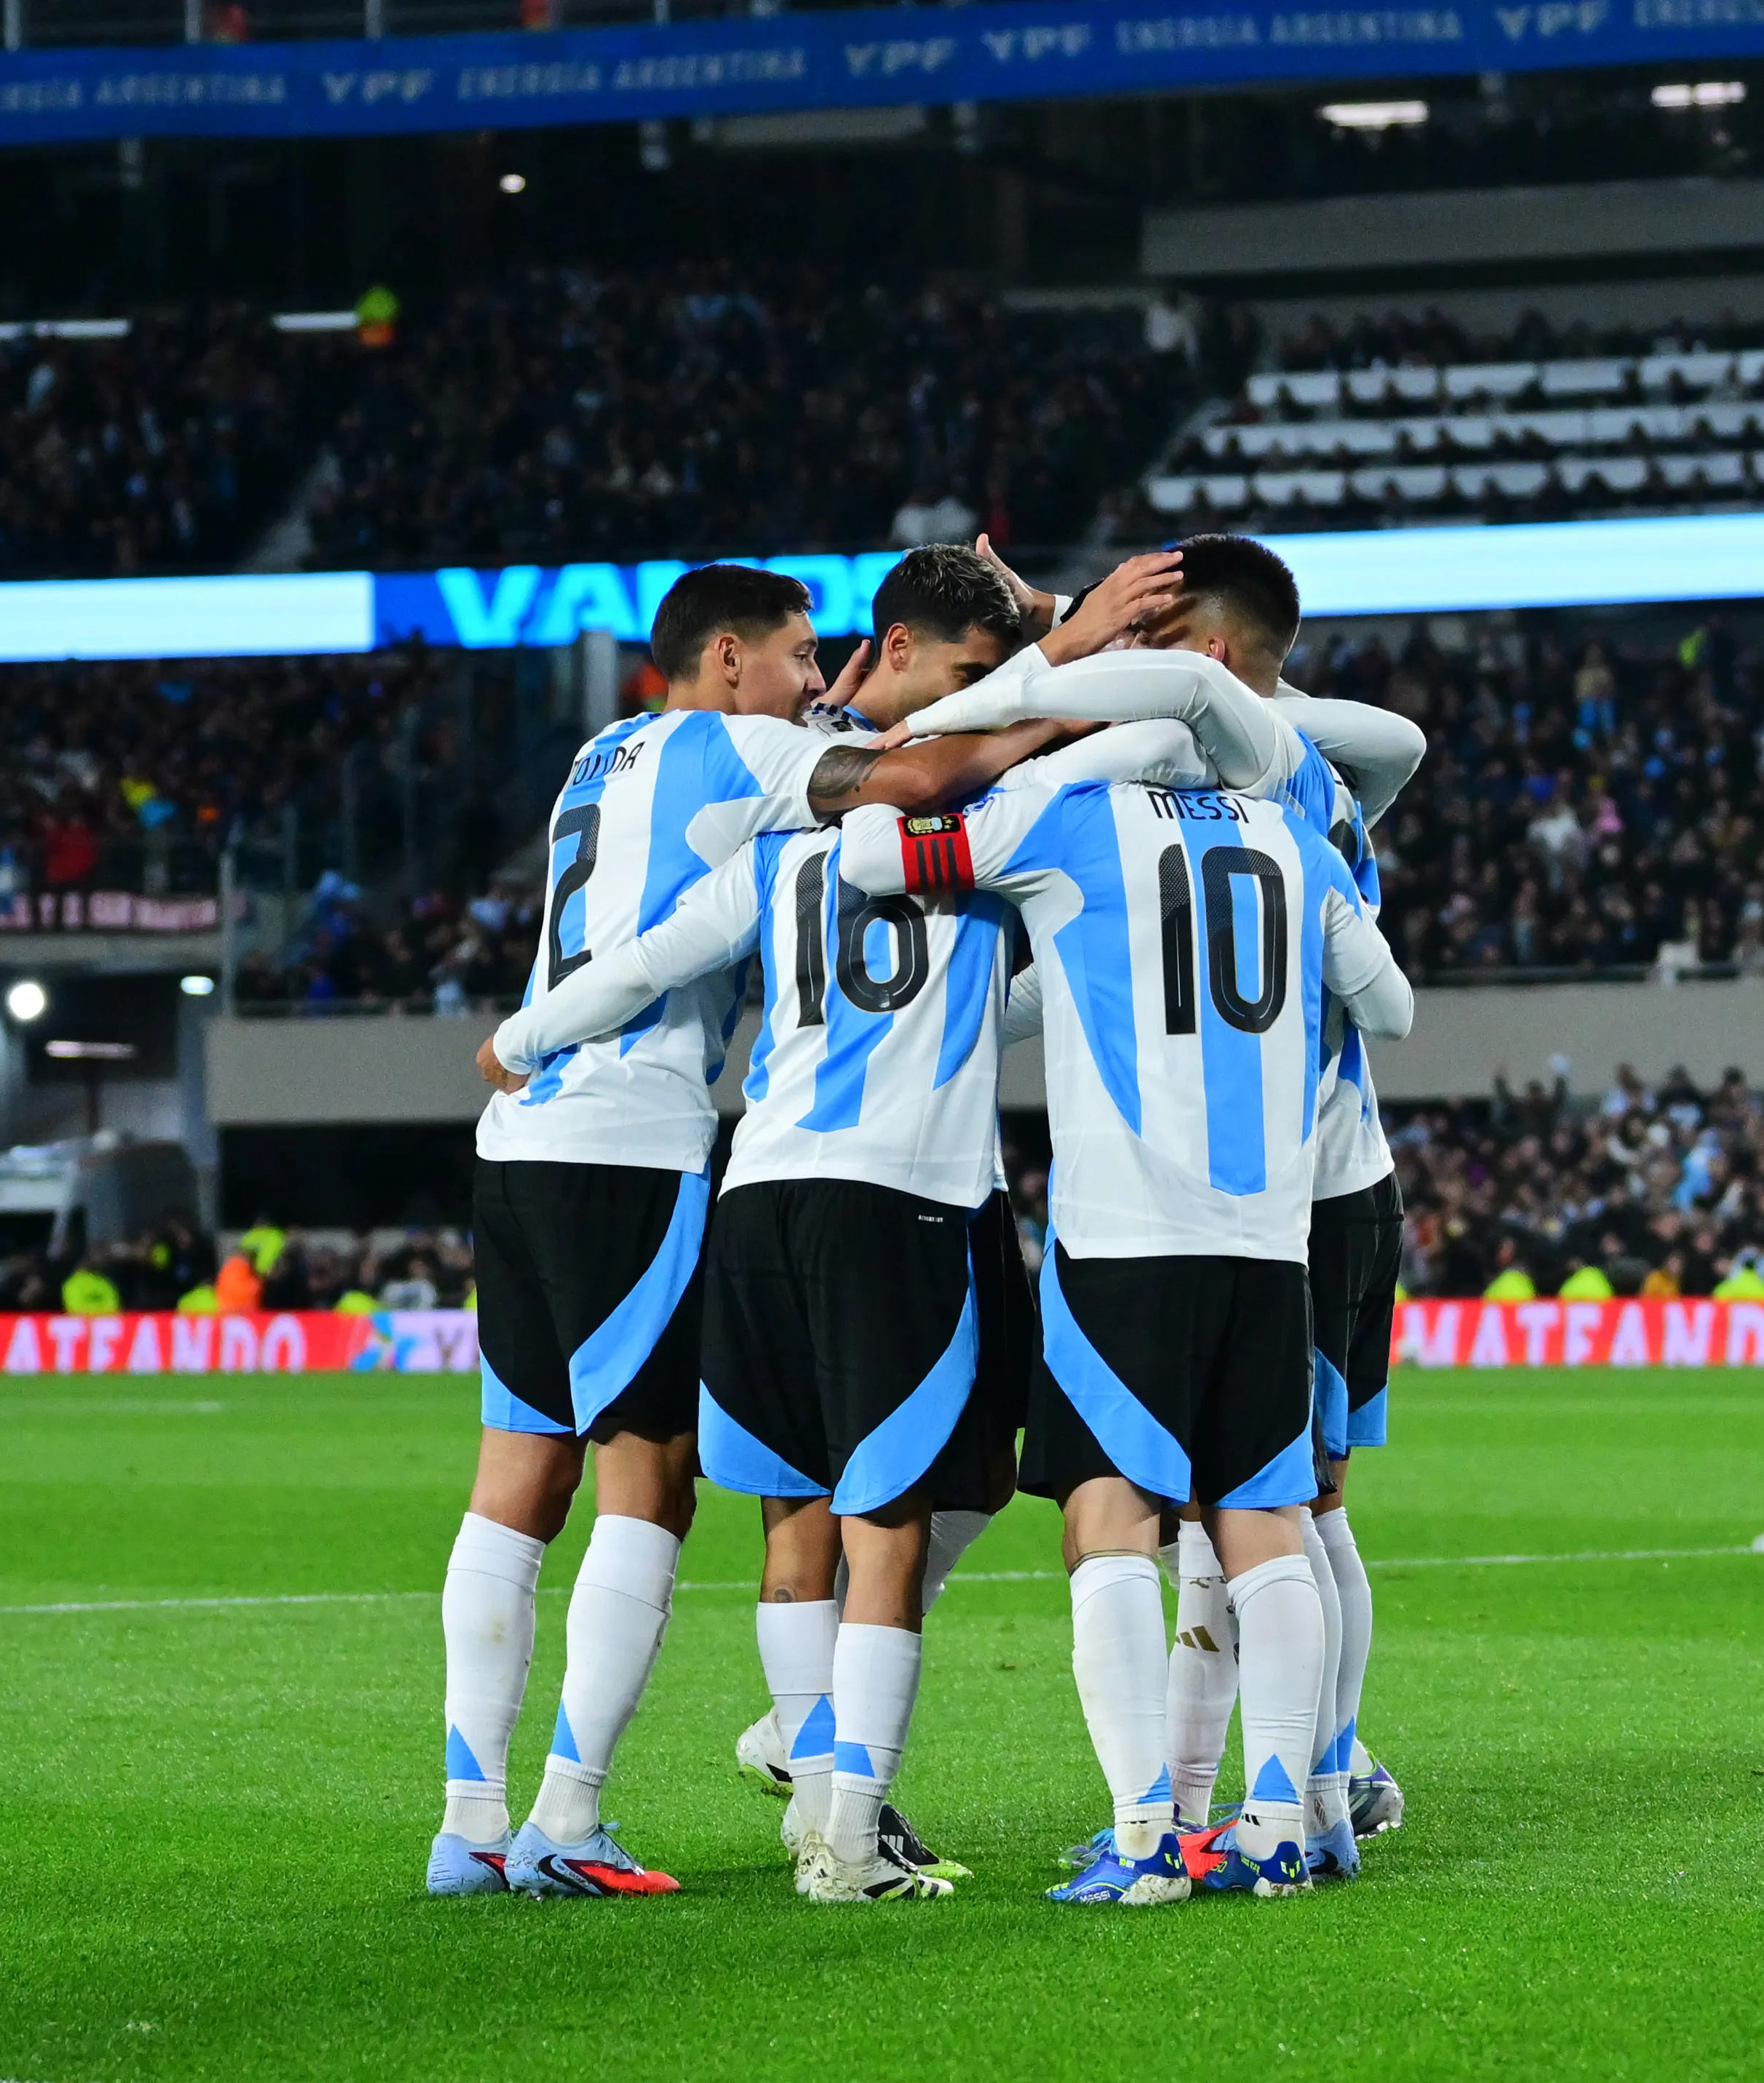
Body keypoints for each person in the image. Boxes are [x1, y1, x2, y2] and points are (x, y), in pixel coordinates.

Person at [480, 548, 1197, 1903]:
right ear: (923, 659)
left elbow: (643, 957)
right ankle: (847, 1823)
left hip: (757, 1190)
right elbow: (1149, 727)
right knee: (904, 1515)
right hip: (908, 1195)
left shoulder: (783, 823)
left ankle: (803, 1767)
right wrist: (1064, 647)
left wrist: (520, 1035)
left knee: (801, 1507)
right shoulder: (996, 799)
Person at [889, 535, 1428, 1869]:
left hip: (1149, 1219)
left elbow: (885, 842)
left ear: (1192, 661)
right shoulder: (1304, 804)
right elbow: (1396, 993)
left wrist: (1030, 671)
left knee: (1119, 1515)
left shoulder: (1079, 794)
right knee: (1286, 1511)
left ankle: (1156, 1821)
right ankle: (1294, 1795)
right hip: (1297, 1199)